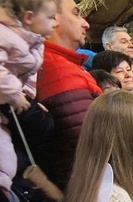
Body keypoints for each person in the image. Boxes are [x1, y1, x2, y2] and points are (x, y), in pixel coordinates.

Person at [36, 0, 101, 189]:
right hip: (89, 189)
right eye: (76, 13)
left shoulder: (66, 66)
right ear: (53, 17)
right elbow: (89, 145)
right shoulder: (58, 70)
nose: (86, 23)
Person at [0, 0, 56, 193]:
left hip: (7, 103)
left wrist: (29, 98)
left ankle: (6, 189)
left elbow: (27, 76)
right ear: (29, 17)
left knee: (7, 152)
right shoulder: (5, 35)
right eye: (50, 17)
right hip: (7, 99)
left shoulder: (32, 43)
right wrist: (15, 94)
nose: (54, 23)